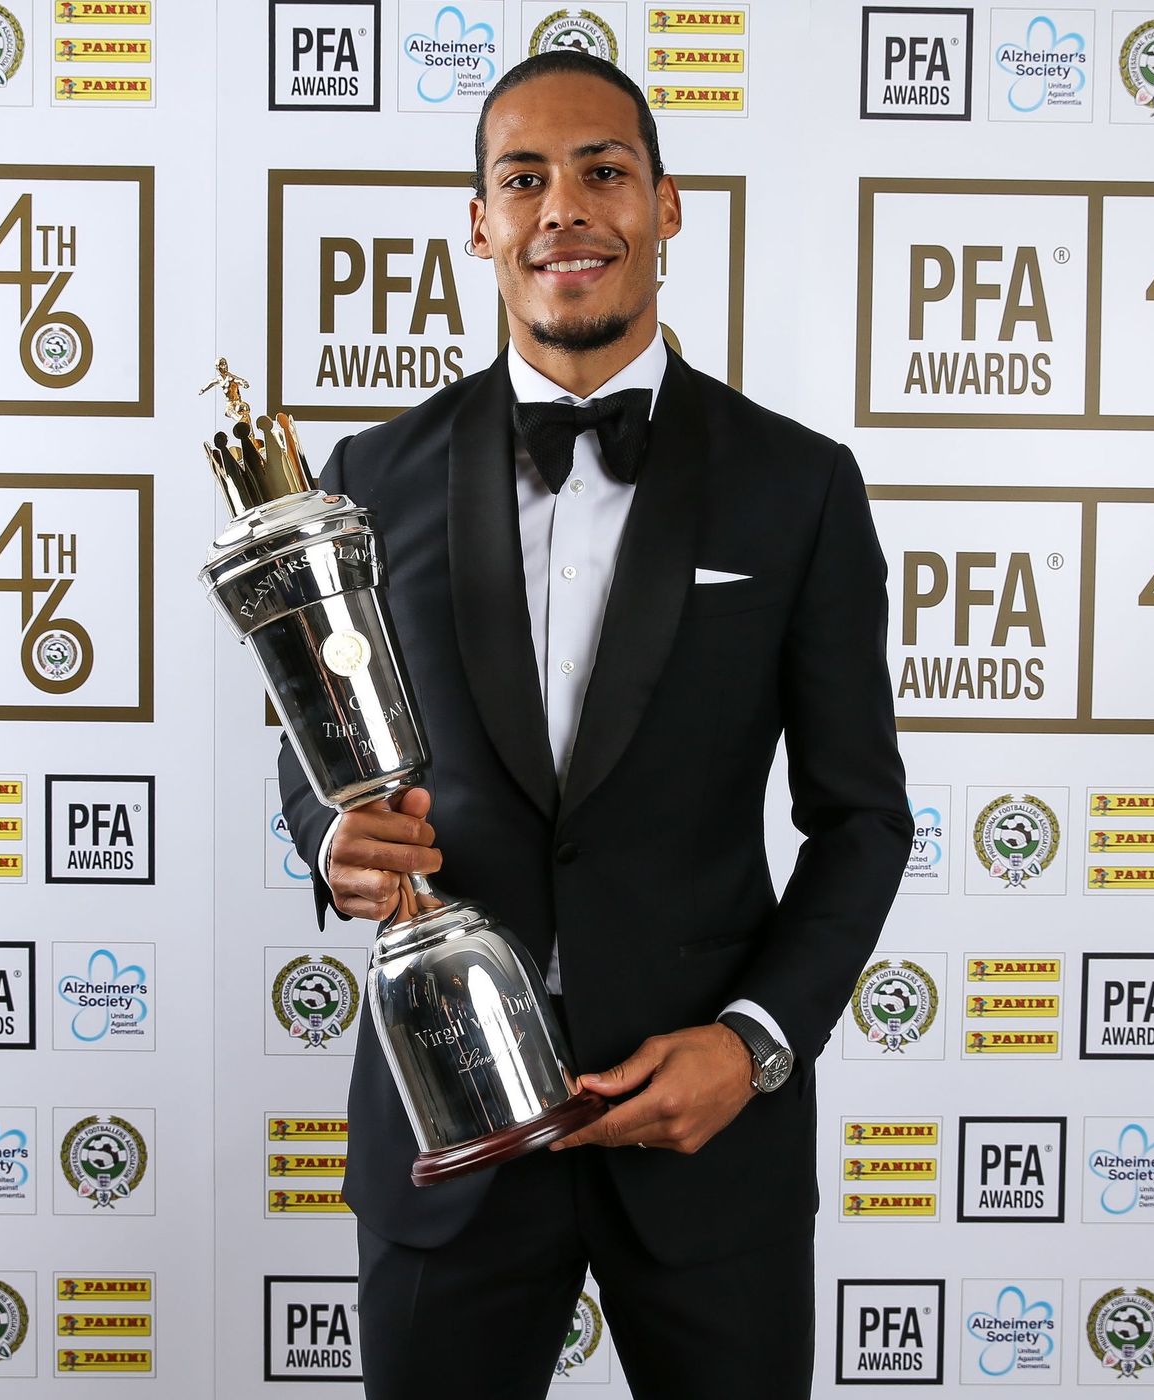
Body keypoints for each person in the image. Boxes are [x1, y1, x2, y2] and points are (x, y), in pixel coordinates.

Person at [277, 50, 912, 1400]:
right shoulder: (366, 479)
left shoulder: (799, 485)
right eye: (524, 179)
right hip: (447, 1127)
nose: (564, 207)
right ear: (481, 224)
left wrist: (752, 1044)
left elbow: (862, 819)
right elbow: (314, 754)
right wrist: (331, 845)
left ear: (666, 206)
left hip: (706, 1134)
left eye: (603, 171)